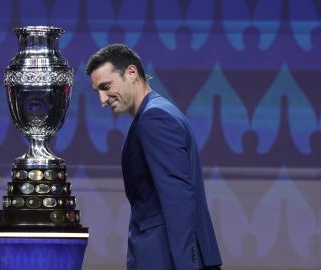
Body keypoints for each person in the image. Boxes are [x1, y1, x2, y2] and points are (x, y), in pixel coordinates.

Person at [85, 44, 223, 270]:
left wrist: (187, 265)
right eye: (97, 91)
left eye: (106, 86)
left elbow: (178, 198)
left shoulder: (155, 118)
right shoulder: (159, 112)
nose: (102, 99)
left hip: (166, 258)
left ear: (131, 73)